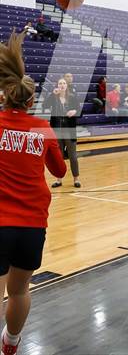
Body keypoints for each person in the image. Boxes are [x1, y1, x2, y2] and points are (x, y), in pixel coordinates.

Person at [0, 32, 66, 355]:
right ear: (30, 101)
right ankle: (11, 343)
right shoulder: (42, 127)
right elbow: (60, 172)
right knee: (19, 290)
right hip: (31, 224)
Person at [44, 78, 81, 188]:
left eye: (64, 83)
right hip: (56, 131)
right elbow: (44, 105)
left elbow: (79, 111)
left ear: (67, 85)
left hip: (69, 131)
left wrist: (74, 111)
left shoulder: (73, 97)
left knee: (72, 156)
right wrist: (51, 94)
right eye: (60, 83)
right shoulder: (54, 97)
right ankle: (59, 179)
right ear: (57, 85)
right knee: (58, 156)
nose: (62, 85)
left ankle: (76, 179)